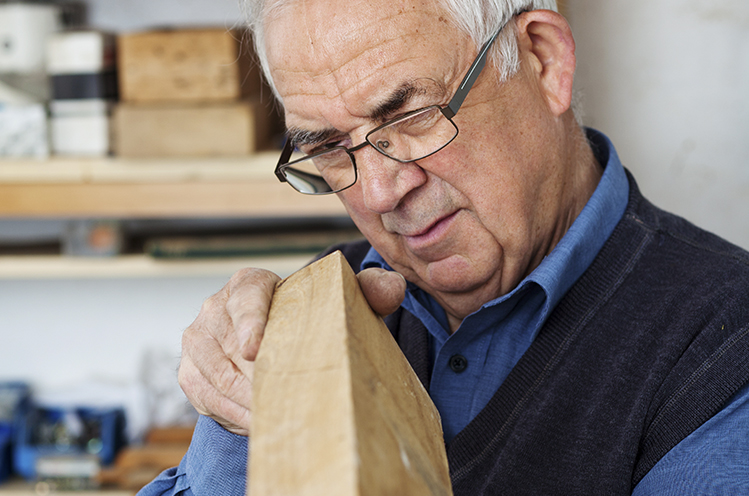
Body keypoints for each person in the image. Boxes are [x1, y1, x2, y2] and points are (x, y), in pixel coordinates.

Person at [139, 0, 749, 494]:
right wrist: (236, 413)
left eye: (411, 117)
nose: (379, 192)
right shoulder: (327, 305)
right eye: (328, 149)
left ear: (543, 60)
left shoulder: (723, 340)